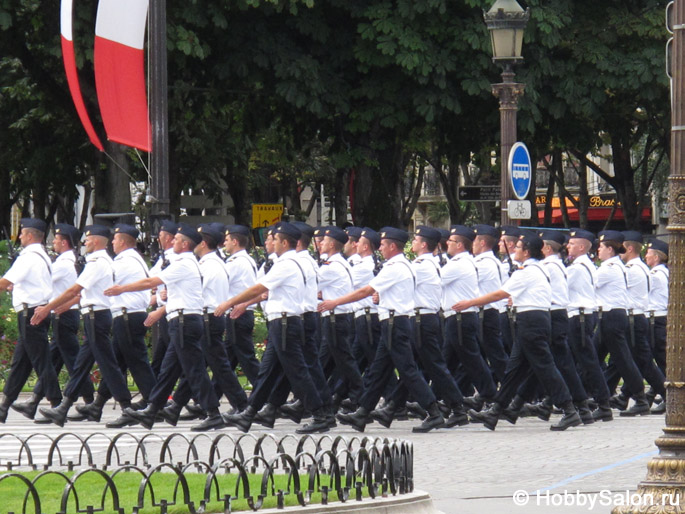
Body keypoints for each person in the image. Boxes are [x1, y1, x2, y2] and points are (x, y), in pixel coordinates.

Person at [320, 227, 445, 433]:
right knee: (378, 370)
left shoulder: (395, 266)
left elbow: (366, 290)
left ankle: (434, 412)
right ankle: (362, 413)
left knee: (408, 369)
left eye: (384, 246)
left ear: (393, 246)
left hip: (395, 323)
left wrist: (336, 302)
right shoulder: (401, 265)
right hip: (392, 322)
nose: (381, 249)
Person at [104, 223, 225, 431]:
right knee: (168, 370)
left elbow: (151, 282)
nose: (173, 242)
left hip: (185, 321)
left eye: (177, 239)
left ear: (185, 244)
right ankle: (153, 410)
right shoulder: (185, 262)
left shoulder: (184, 263)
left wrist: (122, 289)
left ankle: (213, 412)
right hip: (181, 321)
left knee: (194, 369)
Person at [456, 233, 581, 432]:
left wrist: (469, 303)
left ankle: (569, 409)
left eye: (518, 247)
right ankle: (497, 410)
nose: (514, 250)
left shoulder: (526, 271)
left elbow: (500, 294)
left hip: (532, 321)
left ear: (527, 251)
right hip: (532, 320)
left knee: (545, 367)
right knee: (514, 370)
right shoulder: (537, 269)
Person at [217, 223, 330, 434]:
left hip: (286, 322)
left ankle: (319, 414)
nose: (271, 242)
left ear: (285, 242)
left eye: (275, 239)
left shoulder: (286, 264)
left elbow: (259, 288)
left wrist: (229, 302)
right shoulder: (290, 262)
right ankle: (251, 413)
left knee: (298, 371)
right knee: (268, 371)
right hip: (284, 322)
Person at [32, 225, 134, 427]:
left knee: (108, 365)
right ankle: (65, 407)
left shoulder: (98, 262)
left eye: (87, 240)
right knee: (80, 366)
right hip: (92, 315)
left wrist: (48, 308)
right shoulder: (97, 261)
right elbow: (79, 294)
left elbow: (74, 290)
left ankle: (127, 408)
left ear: (95, 241)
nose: (85, 243)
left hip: (97, 315)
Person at [371, 226, 469, 429]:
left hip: (421, 319)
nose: (412, 243)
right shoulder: (426, 264)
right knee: (413, 367)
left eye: (415, 240)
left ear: (424, 244)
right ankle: (392, 408)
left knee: (431, 366)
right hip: (420, 319)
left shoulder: (420, 266)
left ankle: (457, 408)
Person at [161, 223, 248, 424]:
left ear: (203, 243)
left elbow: (196, 291)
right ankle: (176, 405)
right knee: (195, 363)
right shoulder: (209, 263)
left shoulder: (210, 265)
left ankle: (241, 404)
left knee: (214, 364)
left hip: (209, 316)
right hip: (206, 317)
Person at [11, 223, 94, 421]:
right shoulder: (62, 261)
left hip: (64, 314)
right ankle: (36, 401)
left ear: (64, 242)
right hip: (60, 314)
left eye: (56, 239)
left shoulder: (64, 264)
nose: (53, 242)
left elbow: (43, 280)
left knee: (74, 361)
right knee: (51, 361)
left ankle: (90, 403)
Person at [80, 223, 158, 428]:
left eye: (115, 239)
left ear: (122, 241)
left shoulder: (124, 262)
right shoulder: (133, 259)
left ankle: (154, 405)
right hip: (127, 316)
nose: (112, 242)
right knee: (117, 362)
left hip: (127, 316)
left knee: (137, 363)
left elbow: (103, 285)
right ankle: (98, 404)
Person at [0, 218, 62, 422]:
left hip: (31, 314)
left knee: (41, 361)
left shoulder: (29, 257)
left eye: (22, 233)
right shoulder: (41, 256)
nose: (20, 237)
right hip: (34, 312)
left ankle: (57, 405)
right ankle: (4, 406)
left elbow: (5, 281)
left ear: (30, 235)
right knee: (21, 363)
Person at [593, 231, 649, 416]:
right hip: (611, 316)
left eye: (600, 247)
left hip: (612, 316)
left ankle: (640, 398)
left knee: (622, 359)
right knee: (592, 357)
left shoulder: (608, 268)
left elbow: (589, 284)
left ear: (610, 249)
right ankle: (594, 397)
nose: (598, 251)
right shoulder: (616, 266)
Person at [442, 225, 498, 410]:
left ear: (459, 245)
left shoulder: (458, 264)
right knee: (446, 360)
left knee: (471, 360)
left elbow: (434, 282)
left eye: (450, 241)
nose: (447, 244)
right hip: (457, 317)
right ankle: (445, 399)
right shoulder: (463, 262)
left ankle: (490, 394)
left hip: (460, 317)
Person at [611, 231, 665, 416]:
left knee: (643, 362)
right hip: (639, 317)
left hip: (635, 317)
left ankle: (667, 397)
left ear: (630, 248)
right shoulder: (640, 268)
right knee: (634, 360)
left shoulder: (632, 270)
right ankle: (624, 396)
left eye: (621, 248)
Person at [564, 229, 613, 422]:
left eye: (572, 243)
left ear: (582, 247)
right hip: (582, 316)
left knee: (588, 362)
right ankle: (589, 401)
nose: (568, 246)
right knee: (583, 361)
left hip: (580, 316)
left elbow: (559, 288)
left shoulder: (577, 268)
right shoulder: (586, 265)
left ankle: (603, 404)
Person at [317, 226, 364, 409]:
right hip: (336, 317)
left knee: (345, 361)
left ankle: (359, 397)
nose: (321, 243)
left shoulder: (331, 267)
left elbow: (310, 283)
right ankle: (326, 398)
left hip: (336, 318)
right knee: (331, 361)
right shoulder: (338, 263)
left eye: (325, 241)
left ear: (332, 245)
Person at [222, 225, 261, 387]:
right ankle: (212, 397)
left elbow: (221, 284)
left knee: (246, 359)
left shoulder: (236, 263)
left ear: (235, 241)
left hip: (238, 313)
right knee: (226, 361)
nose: (224, 243)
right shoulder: (247, 260)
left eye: (227, 240)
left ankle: (264, 394)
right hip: (239, 313)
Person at [472, 224, 509, 382]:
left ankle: (513, 391)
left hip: (485, 313)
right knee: (480, 356)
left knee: (496, 357)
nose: (471, 245)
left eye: (473, 241)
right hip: (487, 313)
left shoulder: (483, 264)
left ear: (482, 243)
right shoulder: (492, 262)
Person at [148, 220, 179, 378]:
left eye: (160, 235)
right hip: (164, 309)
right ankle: (153, 396)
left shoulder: (174, 258)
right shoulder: (164, 257)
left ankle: (156, 396)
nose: (158, 239)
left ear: (168, 238)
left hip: (168, 310)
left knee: (173, 358)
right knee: (161, 358)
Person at [645, 238, 669, 414]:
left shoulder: (654, 275)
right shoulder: (664, 273)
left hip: (657, 319)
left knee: (660, 358)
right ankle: (653, 392)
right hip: (660, 318)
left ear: (657, 257)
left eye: (648, 254)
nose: (646, 257)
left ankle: (668, 395)